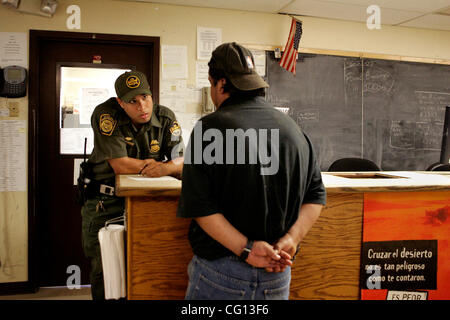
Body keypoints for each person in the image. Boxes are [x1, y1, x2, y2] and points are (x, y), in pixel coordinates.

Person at [177, 42, 326, 300]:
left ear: (220, 84)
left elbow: (200, 207)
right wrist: (292, 238)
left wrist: (247, 250)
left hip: (221, 275)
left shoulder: (209, 128)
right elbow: (315, 196)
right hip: (278, 272)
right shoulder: (294, 129)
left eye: (212, 84)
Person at [80, 70, 184, 300]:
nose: (142, 106)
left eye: (145, 97)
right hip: (106, 203)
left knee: (147, 263)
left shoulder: (165, 117)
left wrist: (165, 168)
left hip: (149, 204)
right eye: (133, 101)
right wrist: (157, 165)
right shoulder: (106, 114)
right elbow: (120, 164)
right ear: (120, 103)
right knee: (105, 268)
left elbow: (182, 161)